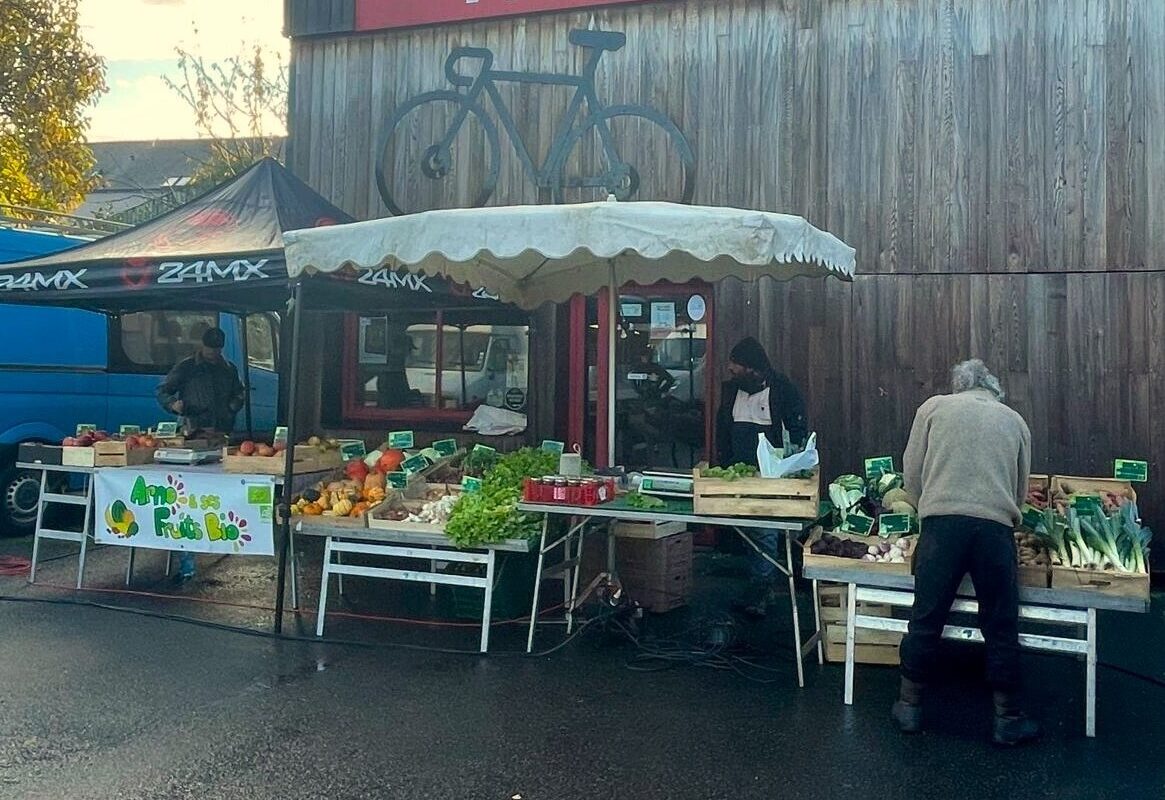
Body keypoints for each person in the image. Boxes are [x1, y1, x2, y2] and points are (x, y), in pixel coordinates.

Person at [893, 359, 1038, 747]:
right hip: (994, 528)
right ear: (992, 388)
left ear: (959, 386)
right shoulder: (1015, 421)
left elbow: (912, 473)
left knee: (926, 616)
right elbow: (1020, 488)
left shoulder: (933, 409)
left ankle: (909, 707)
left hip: (942, 527)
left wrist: (929, 503)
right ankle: (1007, 717)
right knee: (1000, 621)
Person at [715, 337, 808, 616]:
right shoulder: (732, 392)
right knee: (750, 533)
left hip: (771, 476)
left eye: (736, 367)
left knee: (765, 531)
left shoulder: (782, 391)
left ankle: (762, 588)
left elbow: (797, 430)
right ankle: (759, 584)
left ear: (753, 369)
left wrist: (792, 464)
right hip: (737, 474)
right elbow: (724, 427)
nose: (730, 371)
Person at [155, 326, 245, 582]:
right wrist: (173, 405)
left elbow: (239, 393)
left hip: (222, 435)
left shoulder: (229, 368)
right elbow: (162, 391)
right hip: (194, 434)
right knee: (190, 496)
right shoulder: (187, 367)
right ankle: (187, 556)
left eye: (217, 350)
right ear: (202, 346)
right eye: (210, 349)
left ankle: (222, 535)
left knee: (219, 493)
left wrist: (232, 406)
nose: (214, 353)